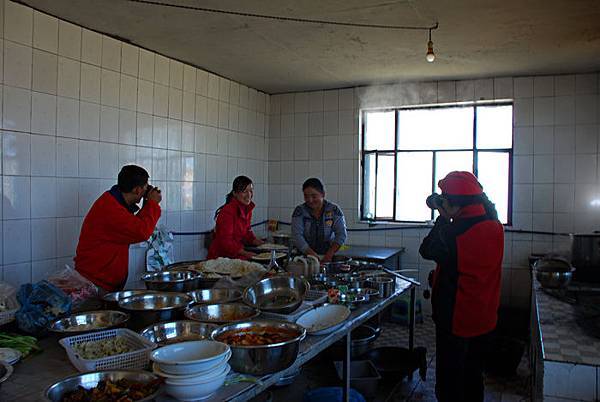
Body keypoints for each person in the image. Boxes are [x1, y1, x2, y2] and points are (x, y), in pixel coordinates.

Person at [418, 171, 503, 402]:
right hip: (485, 315)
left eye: (445, 198)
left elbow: (426, 249)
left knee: (450, 378)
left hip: (456, 319)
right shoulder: (494, 225)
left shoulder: (456, 232)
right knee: (473, 374)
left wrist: (443, 218)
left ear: (455, 204)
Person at [75, 165, 162, 292]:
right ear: (137, 190)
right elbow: (141, 231)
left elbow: (134, 225)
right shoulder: (110, 208)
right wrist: (152, 204)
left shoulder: (114, 201)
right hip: (94, 284)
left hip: (102, 281)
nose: (145, 191)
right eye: (145, 188)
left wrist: (148, 204)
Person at [207, 176, 264, 260]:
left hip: (235, 255)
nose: (249, 195)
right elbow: (226, 241)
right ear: (235, 193)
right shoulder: (228, 211)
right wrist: (245, 253)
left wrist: (263, 244)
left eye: (251, 191)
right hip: (220, 258)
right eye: (244, 191)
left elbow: (247, 233)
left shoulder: (247, 209)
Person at [291, 178, 347, 262]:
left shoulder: (334, 210)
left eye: (314, 196)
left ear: (323, 194)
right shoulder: (299, 211)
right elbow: (297, 236)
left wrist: (329, 254)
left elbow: (341, 234)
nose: (310, 200)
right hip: (305, 257)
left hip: (328, 255)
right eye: (306, 196)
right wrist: (311, 254)